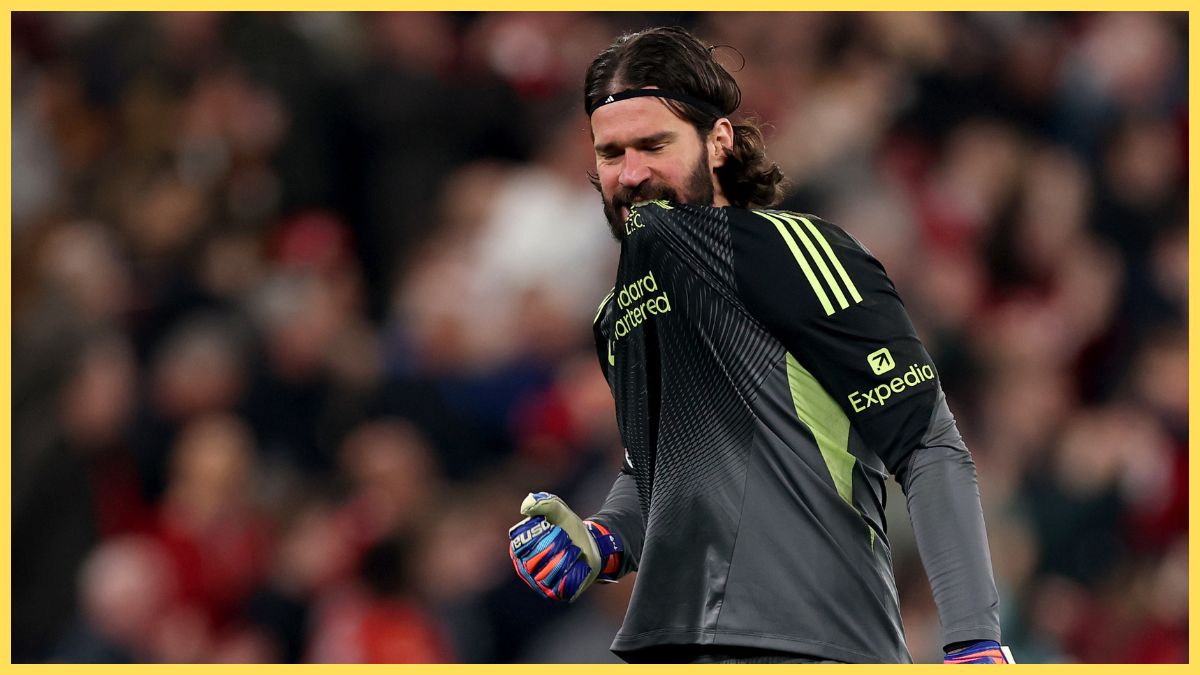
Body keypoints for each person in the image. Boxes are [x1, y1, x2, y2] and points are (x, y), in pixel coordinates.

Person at [507, 25, 1013, 665]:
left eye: (653, 145)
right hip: (672, 647)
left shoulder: (795, 251)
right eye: (611, 154)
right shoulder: (616, 315)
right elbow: (654, 472)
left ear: (718, 141)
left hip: (816, 643)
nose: (631, 175)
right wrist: (599, 541)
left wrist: (974, 639)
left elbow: (926, 443)